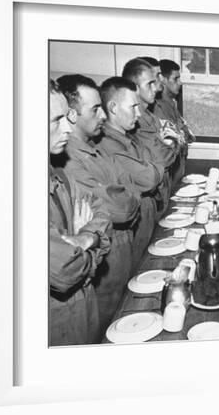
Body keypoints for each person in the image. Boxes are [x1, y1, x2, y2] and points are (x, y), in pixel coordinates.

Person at [56, 74, 141, 336]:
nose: (103, 115)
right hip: (103, 270)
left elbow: (132, 193)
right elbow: (118, 209)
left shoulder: (96, 148)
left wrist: (124, 196)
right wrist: (123, 196)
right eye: (95, 109)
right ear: (72, 114)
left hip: (118, 254)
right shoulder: (68, 160)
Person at [48, 79, 112, 346]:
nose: (67, 127)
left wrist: (85, 239)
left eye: (67, 117)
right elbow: (66, 270)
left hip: (82, 307)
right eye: (56, 120)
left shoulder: (58, 174)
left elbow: (102, 212)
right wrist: (92, 244)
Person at [96, 76, 165, 267]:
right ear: (113, 108)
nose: (139, 114)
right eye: (133, 107)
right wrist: (153, 168)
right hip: (127, 235)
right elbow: (149, 178)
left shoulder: (128, 137)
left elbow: (157, 162)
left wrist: (152, 167)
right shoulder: (108, 144)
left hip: (145, 220)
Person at [122, 58, 180, 219]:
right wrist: (172, 142)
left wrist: (170, 142)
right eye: (150, 83)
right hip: (147, 200)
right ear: (135, 88)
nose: (156, 88)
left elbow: (174, 142)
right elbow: (163, 157)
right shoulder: (136, 120)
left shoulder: (150, 115)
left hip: (162, 192)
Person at [154, 59, 195, 185]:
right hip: (167, 177)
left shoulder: (172, 104)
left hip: (178, 173)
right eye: (175, 79)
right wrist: (181, 136)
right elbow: (173, 141)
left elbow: (189, 137)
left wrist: (181, 135)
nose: (180, 82)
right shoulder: (156, 109)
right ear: (163, 80)